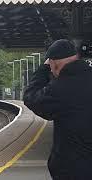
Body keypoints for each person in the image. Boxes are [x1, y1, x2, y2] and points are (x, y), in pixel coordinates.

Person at [23, 39, 92, 180]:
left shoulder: (60, 89)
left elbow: (31, 98)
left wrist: (43, 70)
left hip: (73, 170)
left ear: (53, 64)